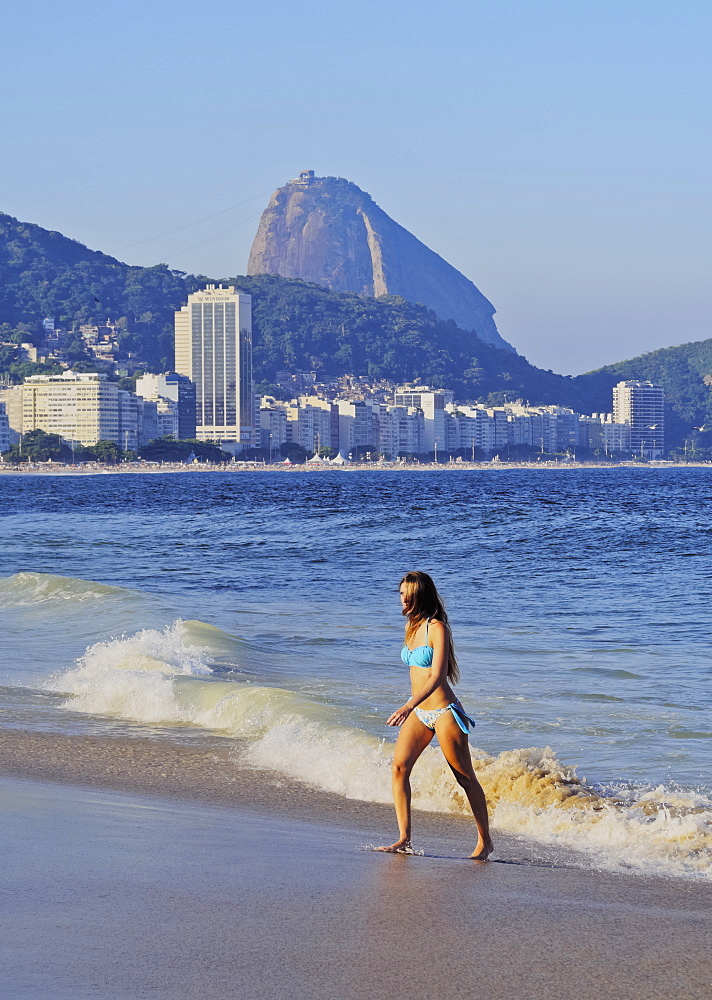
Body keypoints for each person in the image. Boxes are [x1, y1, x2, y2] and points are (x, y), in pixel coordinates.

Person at [377, 571, 493, 859]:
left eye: (406, 594)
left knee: (464, 778)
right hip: (420, 710)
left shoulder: (436, 628)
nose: (401, 598)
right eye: (400, 593)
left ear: (419, 595)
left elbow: (436, 676)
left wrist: (407, 706)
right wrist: (413, 706)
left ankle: (485, 841)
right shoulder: (412, 626)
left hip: (443, 711)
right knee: (399, 769)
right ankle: (404, 838)